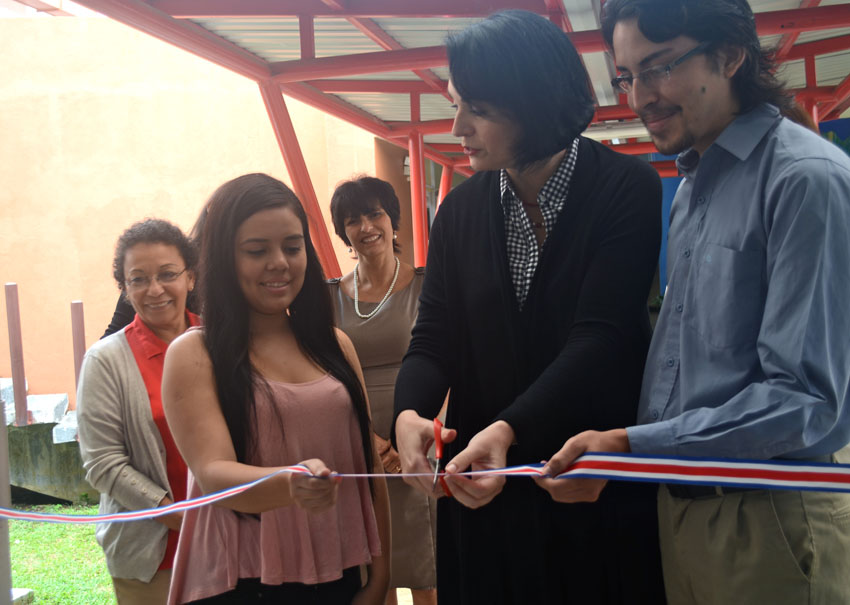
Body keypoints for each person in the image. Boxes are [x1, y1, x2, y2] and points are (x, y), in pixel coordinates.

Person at [537, 1, 850, 603]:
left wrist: (633, 445)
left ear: (731, 55)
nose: (638, 97)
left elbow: (806, 399)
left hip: (771, 520)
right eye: (626, 75)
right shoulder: (690, 188)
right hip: (681, 511)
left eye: (659, 67)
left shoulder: (805, 180)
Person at [391, 10, 665, 604]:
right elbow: (435, 335)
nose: (457, 124)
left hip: (590, 481)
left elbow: (602, 334)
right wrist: (408, 413)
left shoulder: (628, 189)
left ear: (534, 105)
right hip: (483, 493)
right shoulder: (460, 210)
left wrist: (508, 430)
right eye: (457, 102)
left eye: (479, 109)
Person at [161, 173, 390, 604]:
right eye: (256, 250)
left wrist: (380, 576)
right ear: (224, 259)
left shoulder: (335, 346)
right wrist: (290, 483)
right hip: (243, 580)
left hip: (338, 574)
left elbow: (369, 469)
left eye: (292, 245)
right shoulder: (195, 354)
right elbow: (213, 473)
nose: (279, 262)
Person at [77, 218, 200, 604]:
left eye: (168, 274)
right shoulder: (104, 361)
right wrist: (174, 514)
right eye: (139, 279)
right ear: (125, 290)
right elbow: (103, 464)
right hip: (149, 554)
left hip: (227, 542)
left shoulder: (222, 344)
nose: (156, 289)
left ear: (190, 279)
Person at [328, 176, 437, 605]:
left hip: (419, 434)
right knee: (375, 558)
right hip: (354, 435)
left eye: (375, 214)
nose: (366, 226)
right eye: (352, 220)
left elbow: (447, 361)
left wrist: (414, 432)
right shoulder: (328, 297)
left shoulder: (429, 286)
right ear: (344, 233)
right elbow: (326, 371)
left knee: (426, 559)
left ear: (393, 221)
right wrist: (369, 439)